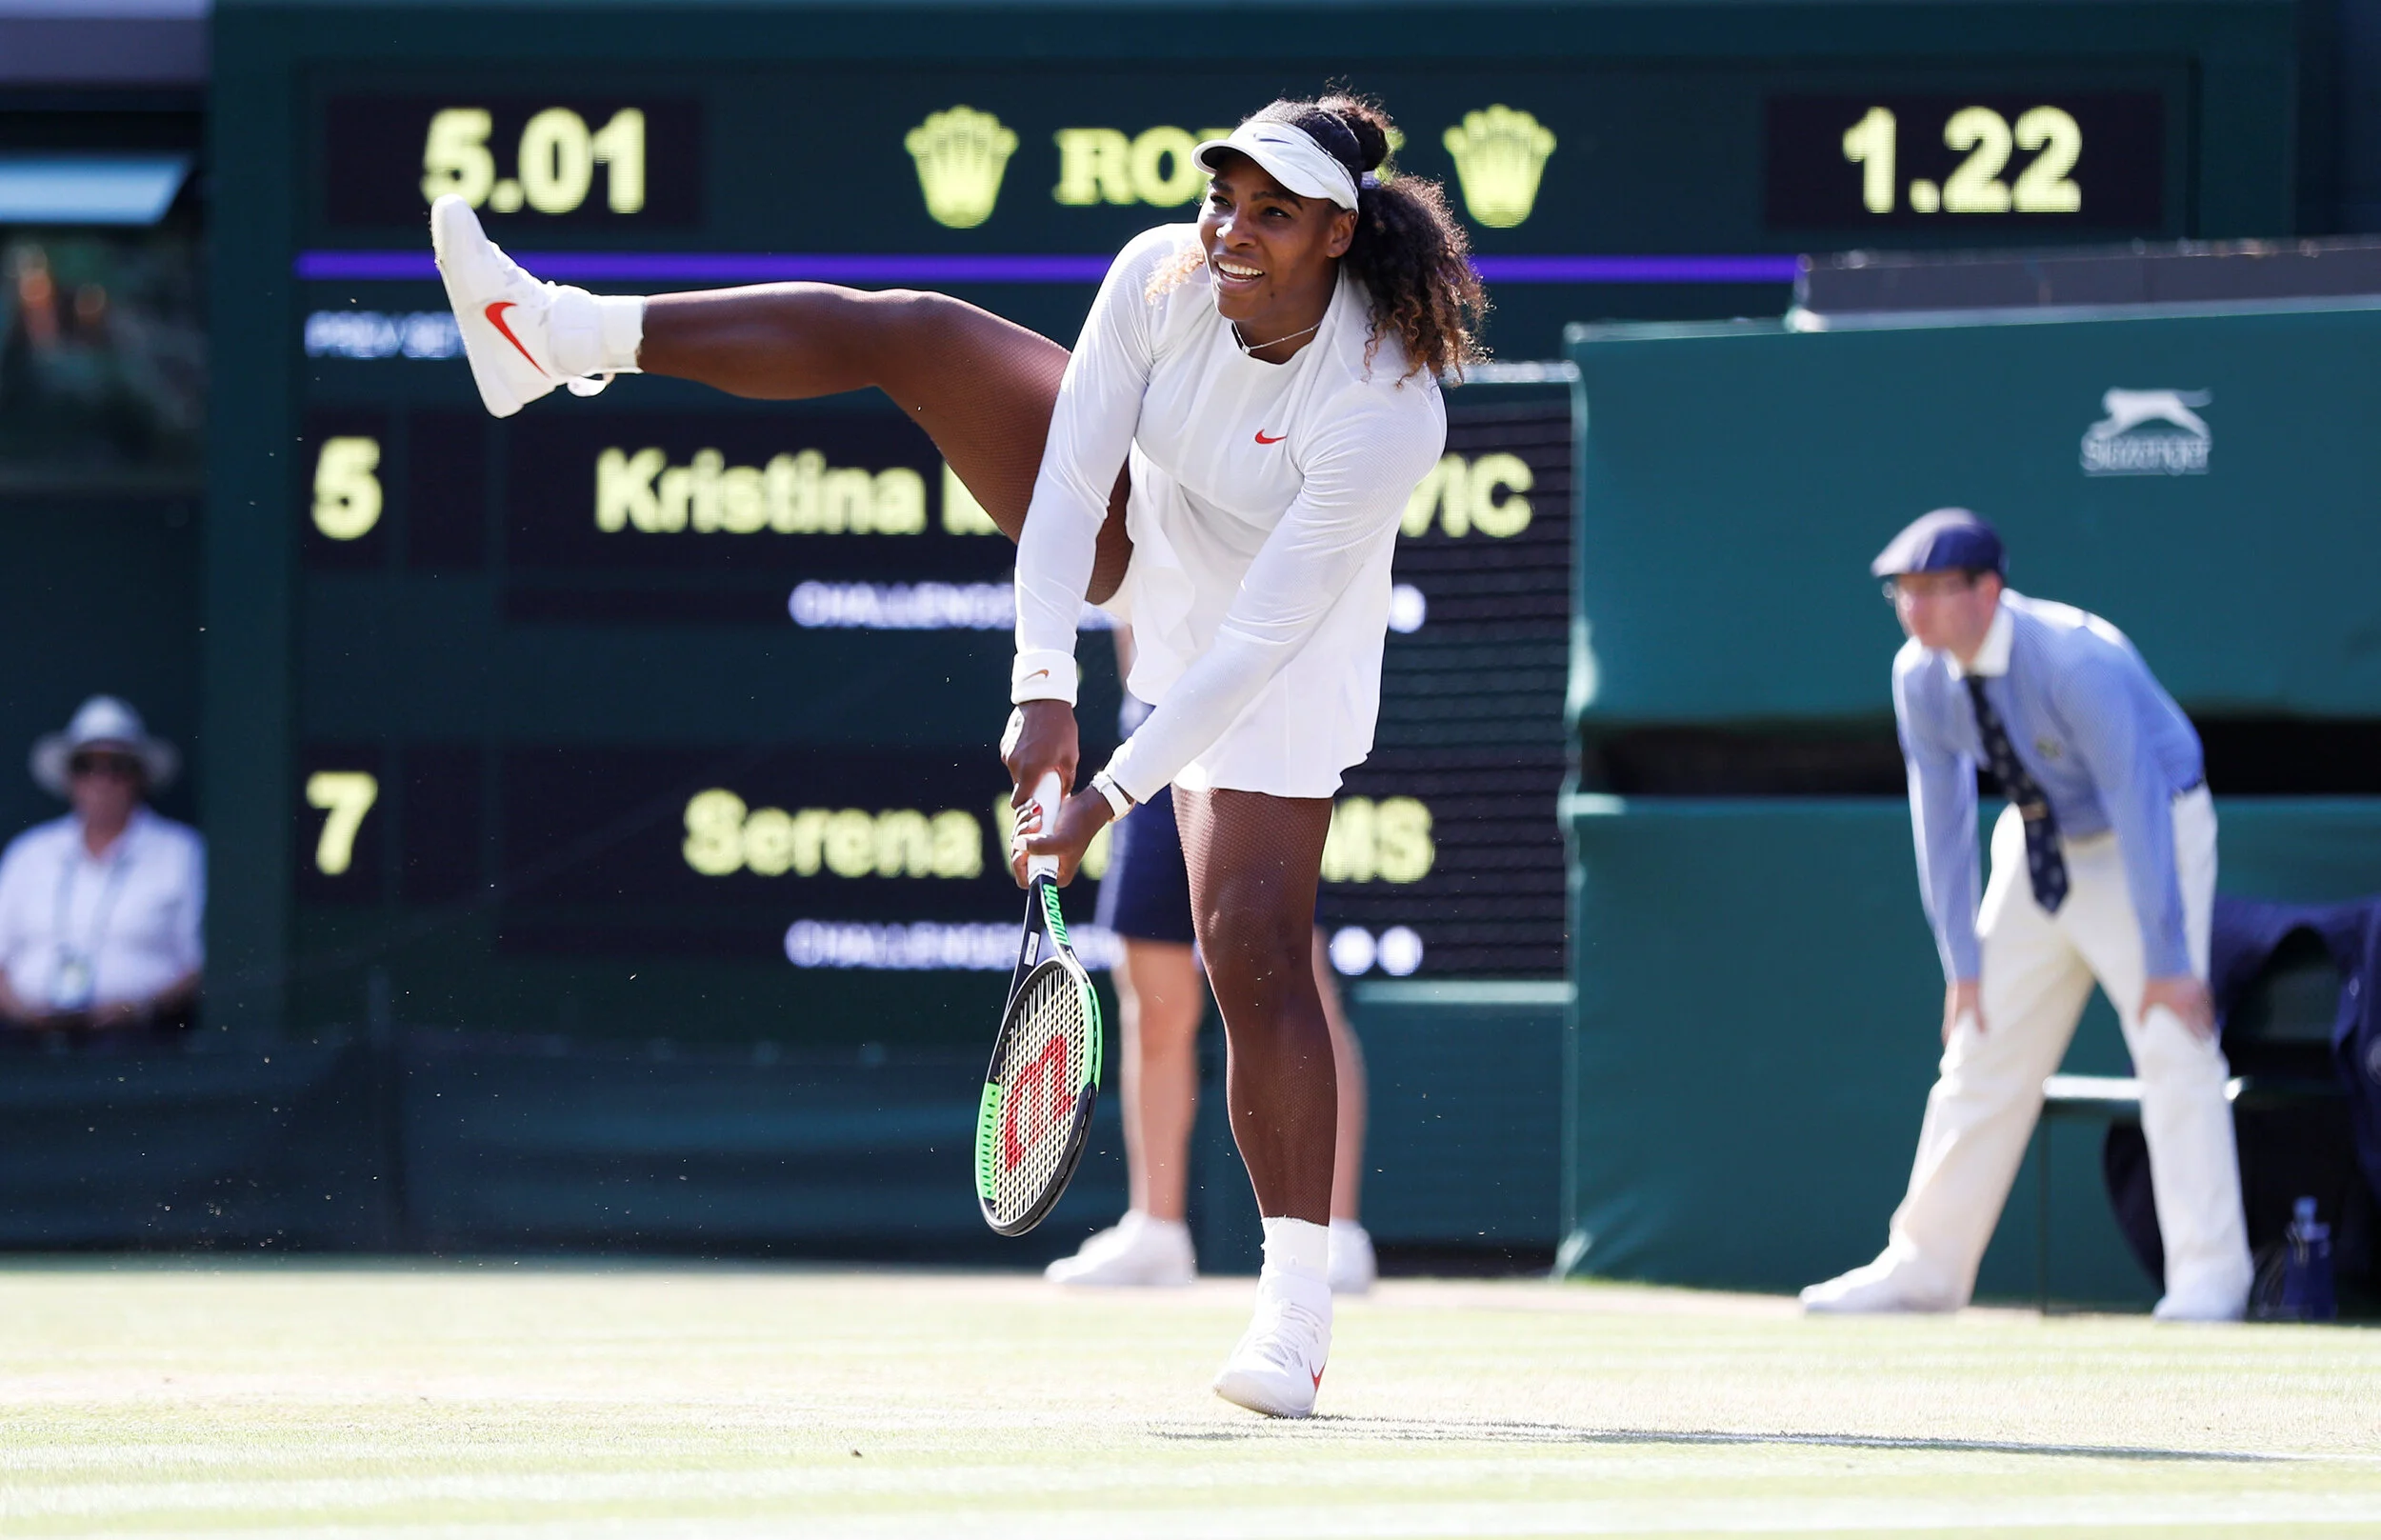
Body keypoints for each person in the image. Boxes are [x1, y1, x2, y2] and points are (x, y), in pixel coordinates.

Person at [430, 90, 1480, 1415]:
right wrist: (1041, 686)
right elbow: (1067, 490)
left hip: (1277, 659)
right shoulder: (1159, 273)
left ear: (1336, 234)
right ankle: (552, 333)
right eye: (1223, 197)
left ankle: (1294, 1312)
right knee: (913, 333)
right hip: (1140, 536)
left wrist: (1107, 789)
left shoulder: (1390, 403)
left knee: (1254, 952)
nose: (1231, 228)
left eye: (1271, 213)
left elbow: (1259, 639)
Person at [1802, 510, 2253, 1323]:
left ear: (1989, 591)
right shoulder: (1919, 675)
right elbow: (1940, 821)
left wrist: (2167, 955)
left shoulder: (2076, 661)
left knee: (2172, 1039)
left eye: (1935, 589)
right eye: (1903, 592)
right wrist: (1961, 966)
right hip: (2039, 838)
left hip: (2146, 834)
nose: (1916, 609)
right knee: (1978, 1048)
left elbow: (2140, 799)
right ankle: (1924, 1269)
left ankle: (2210, 1280)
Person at [1043, 646, 1376, 1293]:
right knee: (1152, 996)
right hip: (1154, 736)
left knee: (1292, 973)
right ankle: (1156, 1228)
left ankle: (1337, 1229)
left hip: (1262, 730)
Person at [0, 696, 204, 1035]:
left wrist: (140, 1008)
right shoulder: (29, 853)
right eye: (86, 766)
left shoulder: (181, 852)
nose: (101, 780)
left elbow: (200, 966)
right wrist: (23, 1013)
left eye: (117, 766)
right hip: (27, 1037)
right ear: (69, 777)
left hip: (135, 1039)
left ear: (140, 776)